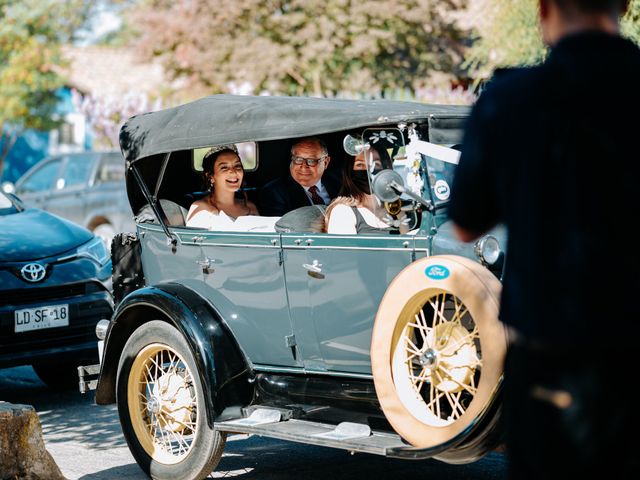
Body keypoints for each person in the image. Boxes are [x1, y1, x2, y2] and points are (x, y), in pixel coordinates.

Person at [448, 1, 639, 478]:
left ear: (545, 9)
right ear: (625, 6)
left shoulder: (509, 99)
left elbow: (466, 223)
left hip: (551, 363)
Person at [324, 146, 402, 234]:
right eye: (360, 165)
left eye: (376, 164)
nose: (369, 171)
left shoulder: (397, 207)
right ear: (349, 171)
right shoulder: (342, 212)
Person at [259, 137, 340, 216]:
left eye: (311, 161)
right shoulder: (274, 192)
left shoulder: (339, 182)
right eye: (298, 159)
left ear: (326, 162)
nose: (304, 166)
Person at [186, 144, 259, 229]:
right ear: (211, 177)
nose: (233, 172)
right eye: (224, 167)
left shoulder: (250, 206)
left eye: (237, 166)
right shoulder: (201, 208)